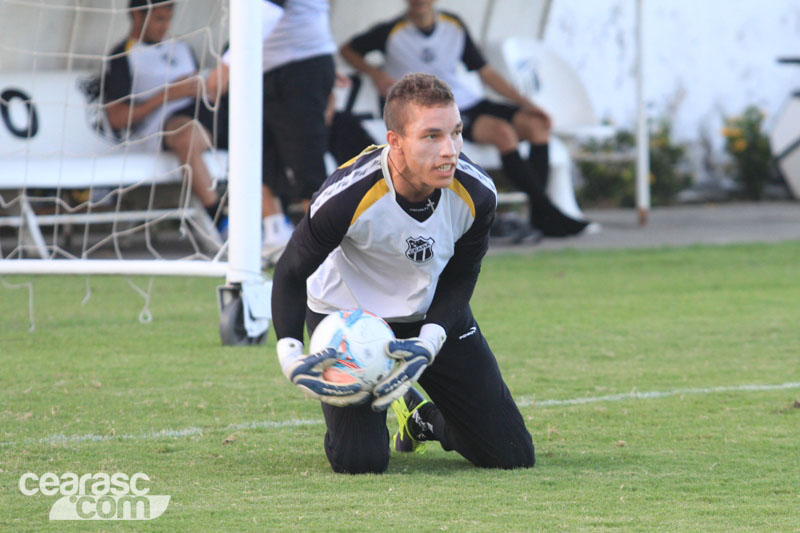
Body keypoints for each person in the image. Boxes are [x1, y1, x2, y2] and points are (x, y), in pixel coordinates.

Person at [271, 73, 535, 474]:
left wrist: (430, 340)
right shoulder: (347, 195)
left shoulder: (477, 193)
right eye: (431, 136)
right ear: (395, 142)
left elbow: (462, 275)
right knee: (360, 462)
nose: (450, 150)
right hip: (351, 320)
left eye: (456, 132)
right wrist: (289, 352)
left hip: (430, 315)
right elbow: (290, 272)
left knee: (511, 454)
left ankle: (421, 419)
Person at [339, 0, 593, 238]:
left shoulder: (453, 25)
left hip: (467, 100)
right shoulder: (389, 32)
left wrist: (527, 105)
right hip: (438, 112)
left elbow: (486, 72)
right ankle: (546, 213)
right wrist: (375, 73)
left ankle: (540, 210)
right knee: (503, 132)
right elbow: (347, 50)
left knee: (536, 125)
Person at [207, 0, 335, 264]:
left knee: (305, 163)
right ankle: (276, 236)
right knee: (255, 153)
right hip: (265, 67)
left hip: (300, 65)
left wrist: (227, 63)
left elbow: (269, 8)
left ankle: (326, 251)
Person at [102, 0, 227, 232]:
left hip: (208, 114)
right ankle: (220, 219)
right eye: (159, 19)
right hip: (166, 125)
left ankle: (273, 218)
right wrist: (168, 94)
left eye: (168, 19)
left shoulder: (182, 48)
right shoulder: (123, 56)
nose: (165, 26)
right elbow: (116, 118)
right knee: (186, 135)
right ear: (137, 16)